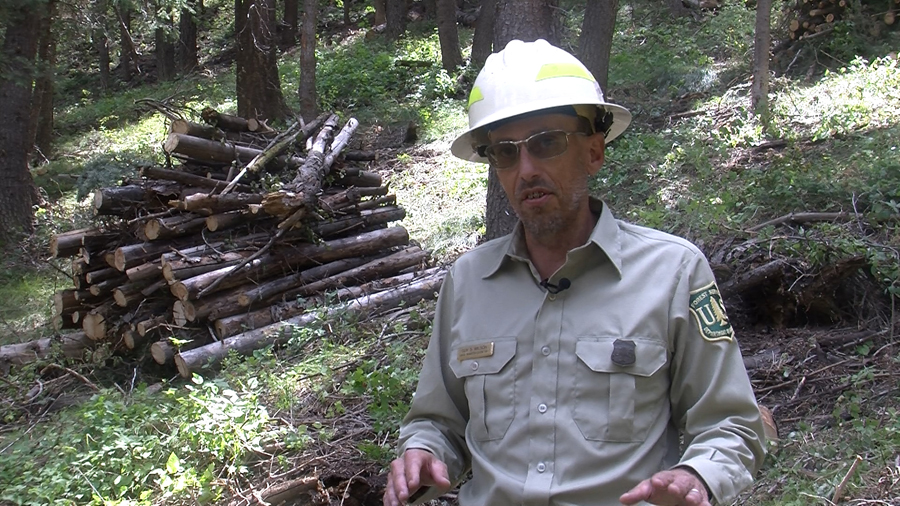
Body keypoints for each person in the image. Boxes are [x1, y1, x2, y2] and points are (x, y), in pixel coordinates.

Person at [383, 39, 766, 506]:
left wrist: (698, 476)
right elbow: (439, 421)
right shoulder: (468, 282)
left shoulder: (673, 272)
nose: (526, 170)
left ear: (594, 152)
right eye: (505, 152)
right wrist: (423, 451)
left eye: (547, 143)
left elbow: (731, 424)